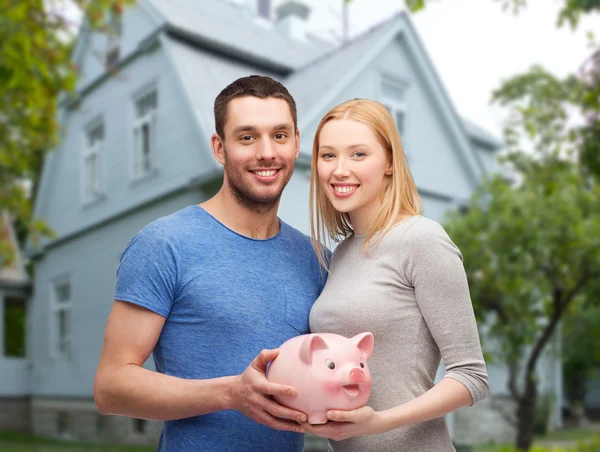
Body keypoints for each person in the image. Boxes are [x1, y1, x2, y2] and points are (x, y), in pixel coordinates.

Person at [93, 75, 327, 452]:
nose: (267, 152)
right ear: (220, 148)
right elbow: (111, 387)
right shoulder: (165, 243)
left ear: (296, 143)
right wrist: (231, 393)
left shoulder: (316, 260)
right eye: (247, 137)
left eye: (280, 136)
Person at [303, 98, 489, 451]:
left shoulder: (422, 239)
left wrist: (378, 422)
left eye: (358, 154)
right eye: (328, 156)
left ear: (389, 163)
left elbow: (472, 377)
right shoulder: (340, 255)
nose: (340, 170)